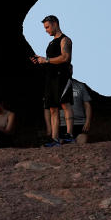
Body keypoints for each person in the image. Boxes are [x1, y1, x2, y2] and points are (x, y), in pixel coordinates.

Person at [30, 15, 74, 145]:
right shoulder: (51, 42)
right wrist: (40, 60)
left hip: (62, 76)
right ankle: (55, 139)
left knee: (65, 104)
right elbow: (49, 60)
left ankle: (70, 135)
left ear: (55, 24)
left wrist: (47, 60)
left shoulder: (65, 40)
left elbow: (65, 57)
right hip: (51, 78)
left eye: (47, 27)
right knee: (52, 108)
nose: (46, 30)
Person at [55, 78, 92, 144]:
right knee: (61, 145)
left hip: (79, 123)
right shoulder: (56, 85)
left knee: (83, 141)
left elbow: (87, 105)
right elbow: (50, 109)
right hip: (62, 124)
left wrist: (88, 121)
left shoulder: (80, 85)